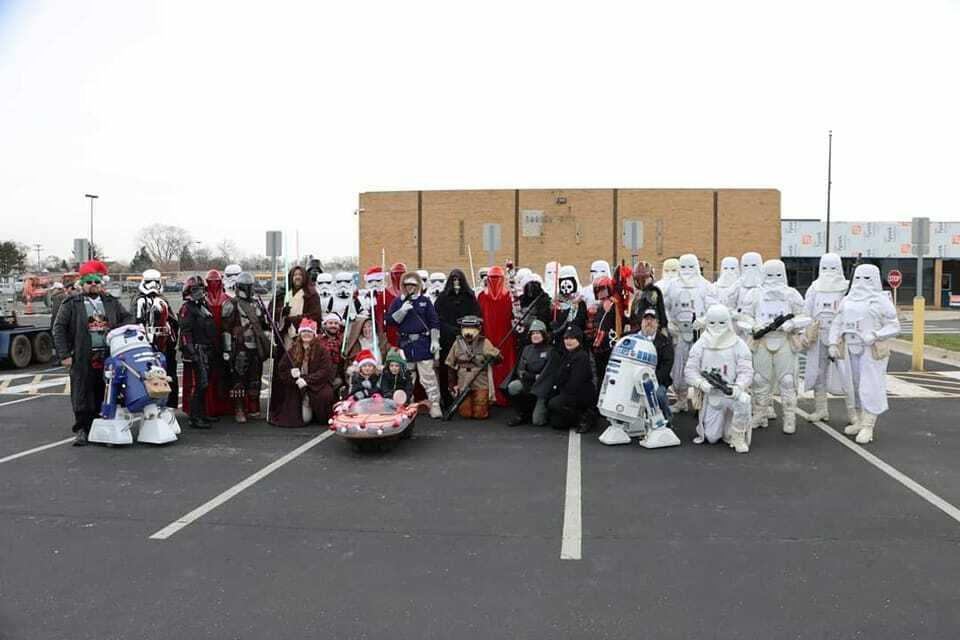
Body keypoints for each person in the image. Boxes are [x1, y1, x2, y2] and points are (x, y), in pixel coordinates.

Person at [52, 260, 133, 446]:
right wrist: (64, 355)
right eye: (89, 282)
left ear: (101, 283)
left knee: (105, 391)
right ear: (82, 284)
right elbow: (58, 328)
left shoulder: (111, 302)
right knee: (82, 392)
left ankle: (103, 428)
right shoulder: (72, 303)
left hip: (107, 356)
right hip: (82, 355)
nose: (93, 285)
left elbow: (128, 318)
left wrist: (118, 332)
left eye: (96, 281)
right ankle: (82, 429)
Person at [827, 264, 900, 443]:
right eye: (858, 278)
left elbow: (894, 325)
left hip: (870, 350)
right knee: (853, 385)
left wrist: (875, 335)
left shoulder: (881, 300)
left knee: (870, 386)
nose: (861, 282)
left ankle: (868, 425)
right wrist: (832, 342)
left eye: (866, 278)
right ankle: (859, 420)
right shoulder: (847, 300)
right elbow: (837, 321)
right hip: (849, 348)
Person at [737, 259, 810, 434]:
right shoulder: (754, 294)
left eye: (777, 274)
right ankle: (760, 413)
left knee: (787, 381)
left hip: (784, 340)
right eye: (770, 275)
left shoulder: (791, 294)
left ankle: (790, 417)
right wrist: (754, 326)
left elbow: (805, 316)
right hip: (762, 341)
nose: (773, 278)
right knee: (759, 379)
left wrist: (792, 324)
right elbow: (744, 317)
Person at [684, 304, 755, 453]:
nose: (717, 327)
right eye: (712, 323)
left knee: (744, 400)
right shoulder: (701, 344)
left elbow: (747, 371)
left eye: (721, 322)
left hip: (731, 393)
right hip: (712, 396)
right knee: (712, 437)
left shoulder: (738, 344)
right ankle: (723, 426)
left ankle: (738, 436)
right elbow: (689, 371)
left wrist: (738, 387)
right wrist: (702, 384)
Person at [662, 254, 718, 413]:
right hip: (679, 334)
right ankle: (681, 399)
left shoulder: (706, 286)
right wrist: (669, 322)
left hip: (700, 334)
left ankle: (701, 402)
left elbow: (715, 308)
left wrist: (703, 320)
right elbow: (665, 306)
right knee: (678, 369)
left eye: (690, 266)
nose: (687, 270)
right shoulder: (672, 286)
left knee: (701, 367)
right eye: (683, 267)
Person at [387, 271, 443, 418]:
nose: (410, 287)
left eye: (413, 284)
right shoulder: (398, 301)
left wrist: (435, 340)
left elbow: (434, 321)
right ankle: (406, 404)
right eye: (407, 285)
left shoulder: (425, 301)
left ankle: (435, 403)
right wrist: (402, 311)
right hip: (406, 344)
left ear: (418, 285)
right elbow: (390, 321)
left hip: (422, 344)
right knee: (406, 376)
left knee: (428, 376)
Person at [802, 253, 848, 422]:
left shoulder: (846, 288)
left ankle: (854, 414)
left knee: (846, 375)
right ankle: (821, 409)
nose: (829, 271)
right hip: (818, 334)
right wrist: (804, 331)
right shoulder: (814, 288)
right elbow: (807, 311)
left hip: (840, 337)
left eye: (832, 267)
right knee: (818, 373)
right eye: (825, 267)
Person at [220, 272, 271, 423]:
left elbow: (264, 325)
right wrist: (227, 350)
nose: (248, 290)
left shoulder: (257, 304)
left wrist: (267, 336)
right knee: (239, 381)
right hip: (239, 347)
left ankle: (254, 408)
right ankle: (239, 409)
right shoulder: (231, 304)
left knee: (255, 379)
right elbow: (225, 329)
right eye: (246, 287)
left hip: (256, 346)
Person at [270, 318, 336, 427]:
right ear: (300, 334)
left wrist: (307, 380)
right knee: (304, 419)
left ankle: (318, 414)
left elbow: (325, 371)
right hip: (297, 386)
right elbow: (282, 369)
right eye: (304, 331)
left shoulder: (322, 351)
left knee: (326, 395)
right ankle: (305, 405)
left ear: (314, 334)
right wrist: (291, 373)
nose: (306, 334)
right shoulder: (292, 350)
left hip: (317, 384)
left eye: (309, 332)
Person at [131, 268, 179, 409]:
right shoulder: (138, 300)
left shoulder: (163, 300)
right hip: (145, 343)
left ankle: (169, 404)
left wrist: (171, 336)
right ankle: (147, 404)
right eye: (149, 281)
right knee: (147, 374)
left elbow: (173, 321)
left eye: (155, 281)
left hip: (165, 343)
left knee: (168, 373)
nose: (152, 285)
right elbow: (135, 321)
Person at [434, 269, 481, 409]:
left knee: (466, 367)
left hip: (466, 338)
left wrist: (466, 329)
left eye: (459, 280)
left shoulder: (470, 297)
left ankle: (466, 397)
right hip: (447, 339)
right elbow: (437, 318)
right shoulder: (442, 298)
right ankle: (447, 399)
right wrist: (449, 329)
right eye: (454, 280)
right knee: (446, 368)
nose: (456, 282)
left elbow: (476, 315)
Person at [178, 275, 219, 429]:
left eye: (201, 289)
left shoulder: (203, 305)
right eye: (196, 290)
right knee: (200, 384)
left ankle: (201, 413)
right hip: (197, 349)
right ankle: (194, 417)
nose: (200, 292)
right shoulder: (187, 308)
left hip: (206, 348)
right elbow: (185, 332)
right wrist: (191, 352)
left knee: (205, 384)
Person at [444, 315, 501, 419]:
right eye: (466, 327)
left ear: (478, 329)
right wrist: (451, 384)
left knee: (480, 414)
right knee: (465, 413)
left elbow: (498, 361)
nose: (468, 330)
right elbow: (450, 364)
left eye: (471, 327)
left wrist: (496, 356)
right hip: (464, 380)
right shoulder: (457, 343)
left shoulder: (485, 342)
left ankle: (484, 404)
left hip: (480, 380)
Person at [543, 325, 595, 432]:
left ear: (579, 340)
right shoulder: (567, 354)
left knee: (554, 404)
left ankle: (585, 417)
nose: (568, 341)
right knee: (556, 423)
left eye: (572, 338)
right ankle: (575, 418)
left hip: (580, 395)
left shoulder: (582, 356)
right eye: (566, 338)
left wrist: (559, 394)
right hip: (568, 392)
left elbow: (574, 384)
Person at [477, 265, 516, 406]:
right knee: (489, 366)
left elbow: (514, 315)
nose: (494, 281)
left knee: (505, 364)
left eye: (497, 278)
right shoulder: (482, 296)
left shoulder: (508, 296)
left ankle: (505, 394)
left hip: (506, 337)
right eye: (492, 278)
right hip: (488, 337)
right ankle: (491, 395)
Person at [503, 319, 552, 426]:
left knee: (538, 421)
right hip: (528, 382)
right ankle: (521, 413)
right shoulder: (527, 349)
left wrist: (530, 376)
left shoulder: (550, 351)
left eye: (538, 333)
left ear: (544, 334)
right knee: (513, 387)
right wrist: (533, 376)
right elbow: (520, 370)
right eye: (533, 333)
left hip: (542, 388)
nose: (535, 336)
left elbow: (546, 375)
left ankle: (543, 410)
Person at [202, 269, 233, 417]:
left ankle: (223, 404)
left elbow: (231, 323)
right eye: (211, 281)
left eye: (216, 281)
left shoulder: (227, 299)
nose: (214, 284)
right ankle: (210, 406)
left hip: (224, 339)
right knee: (209, 374)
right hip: (208, 341)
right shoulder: (202, 300)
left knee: (224, 373)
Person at [637, 308, 675, 421]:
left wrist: (651, 381)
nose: (649, 322)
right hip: (633, 378)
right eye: (646, 319)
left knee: (658, 395)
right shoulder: (631, 337)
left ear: (657, 323)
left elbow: (667, 365)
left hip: (656, 380)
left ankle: (667, 419)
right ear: (641, 321)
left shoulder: (665, 342)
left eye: (652, 319)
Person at [277, 265, 323, 350]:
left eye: (300, 275)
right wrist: (282, 311)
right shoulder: (283, 294)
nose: (297, 277)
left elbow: (315, 315)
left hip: (305, 335)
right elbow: (271, 312)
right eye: (295, 275)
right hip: (285, 335)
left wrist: (294, 320)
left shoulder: (311, 295)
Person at [549, 265, 588, 349]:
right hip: (559, 343)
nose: (566, 289)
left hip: (576, 342)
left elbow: (580, 322)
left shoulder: (580, 302)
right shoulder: (555, 303)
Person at [628, 261, 668, 331]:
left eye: (643, 278)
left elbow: (650, 315)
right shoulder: (639, 294)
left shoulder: (653, 292)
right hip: (639, 330)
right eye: (638, 279)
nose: (640, 282)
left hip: (648, 331)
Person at [514, 278, 552, 348]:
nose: (530, 293)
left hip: (537, 332)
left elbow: (544, 317)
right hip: (523, 333)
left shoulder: (543, 300)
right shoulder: (523, 300)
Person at [316, 312, 347, 398]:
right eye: (330, 323)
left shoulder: (343, 340)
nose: (333, 325)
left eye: (336, 323)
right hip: (321, 375)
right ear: (325, 324)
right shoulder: (318, 339)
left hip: (336, 376)